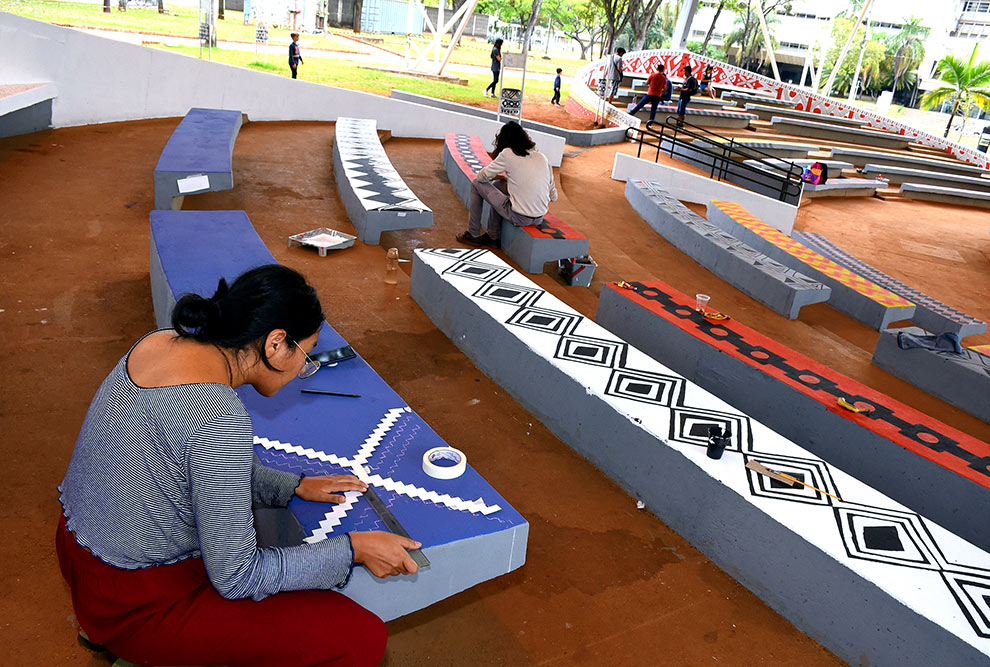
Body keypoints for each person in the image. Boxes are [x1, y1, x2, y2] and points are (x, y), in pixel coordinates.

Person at [56, 264, 420, 667]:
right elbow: (238, 577)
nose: (304, 370)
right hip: (136, 603)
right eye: (307, 356)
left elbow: (190, 466)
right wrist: (352, 549)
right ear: (276, 343)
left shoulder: (160, 342)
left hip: (81, 555)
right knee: (358, 637)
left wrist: (290, 486)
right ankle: (140, 647)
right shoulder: (218, 414)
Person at [456, 121, 557, 247]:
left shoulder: (508, 153)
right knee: (499, 185)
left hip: (519, 217)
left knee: (476, 184)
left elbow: (482, 177)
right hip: (539, 217)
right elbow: (554, 196)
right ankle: (492, 236)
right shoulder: (542, 157)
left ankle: (473, 234)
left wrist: (495, 175)